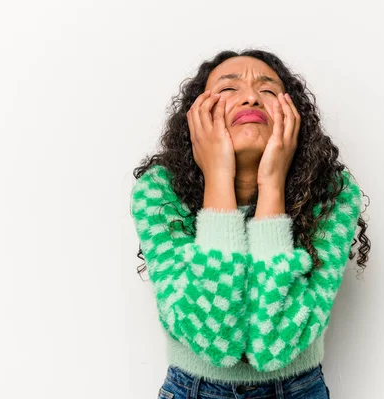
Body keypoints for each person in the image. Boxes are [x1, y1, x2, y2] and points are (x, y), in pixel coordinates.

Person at [130, 48, 371, 399]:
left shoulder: (332, 194)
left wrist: (271, 184)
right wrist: (218, 179)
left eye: (269, 91)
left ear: (293, 114)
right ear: (196, 116)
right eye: (227, 90)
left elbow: (275, 347)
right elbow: (214, 343)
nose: (250, 98)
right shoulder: (158, 191)